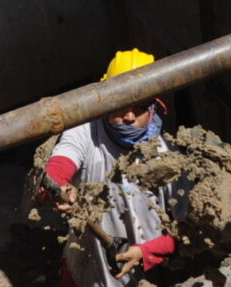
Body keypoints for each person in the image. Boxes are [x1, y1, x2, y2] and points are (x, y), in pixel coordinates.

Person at [40, 50, 184, 287]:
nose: (129, 116)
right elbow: (58, 166)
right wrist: (59, 188)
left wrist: (145, 252)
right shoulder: (86, 131)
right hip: (83, 274)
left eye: (139, 107)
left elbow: (188, 235)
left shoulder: (169, 159)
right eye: (121, 105)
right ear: (105, 102)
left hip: (142, 280)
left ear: (153, 107)